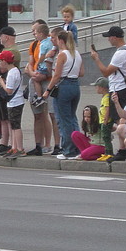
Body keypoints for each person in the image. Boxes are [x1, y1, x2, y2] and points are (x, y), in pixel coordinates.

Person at [42, 29, 83, 159]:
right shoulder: (76, 53)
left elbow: (57, 76)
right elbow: (81, 73)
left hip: (63, 86)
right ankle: (77, 146)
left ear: (61, 40)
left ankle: (68, 150)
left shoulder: (62, 55)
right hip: (75, 85)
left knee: (63, 120)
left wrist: (47, 90)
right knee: (72, 118)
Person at [89, 25, 126, 127]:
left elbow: (106, 72)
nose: (108, 39)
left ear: (114, 37)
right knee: (121, 120)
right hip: (123, 87)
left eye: (109, 37)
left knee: (119, 120)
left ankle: (125, 142)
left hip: (119, 89)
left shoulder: (121, 53)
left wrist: (96, 58)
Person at [23, 20, 54, 156]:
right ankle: (38, 145)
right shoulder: (34, 44)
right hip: (36, 76)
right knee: (38, 114)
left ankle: (48, 143)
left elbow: (48, 60)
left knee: (48, 113)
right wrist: (32, 73)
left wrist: (40, 73)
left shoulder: (48, 43)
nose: (33, 33)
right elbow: (30, 63)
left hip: (46, 80)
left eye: (35, 31)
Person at [0, 49, 26, 158]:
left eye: (0, 60)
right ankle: (14, 147)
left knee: (16, 126)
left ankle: (20, 148)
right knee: (13, 125)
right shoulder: (15, 70)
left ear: (4, 61)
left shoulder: (12, 73)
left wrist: (1, 82)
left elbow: (9, 90)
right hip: (14, 102)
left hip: (15, 102)